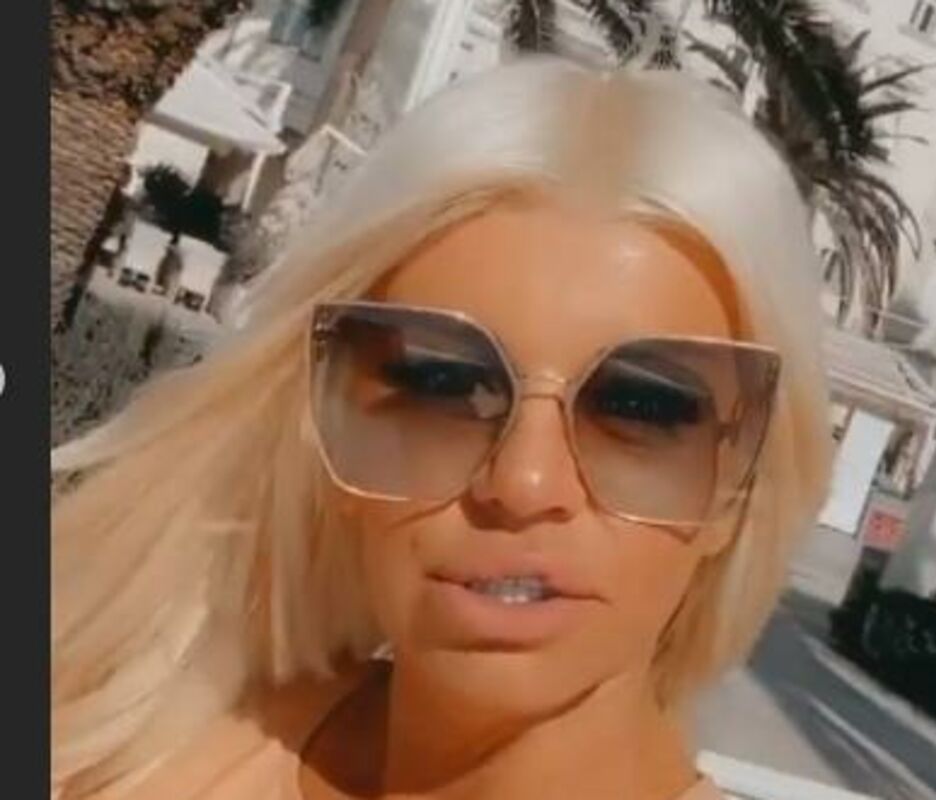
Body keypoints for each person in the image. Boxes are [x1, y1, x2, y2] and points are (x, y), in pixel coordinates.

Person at [51, 60, 833, 800]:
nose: (522, 484)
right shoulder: (127, 752)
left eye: (640, 408)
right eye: (441, 385)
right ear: (327, 416)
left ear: (741, 481)